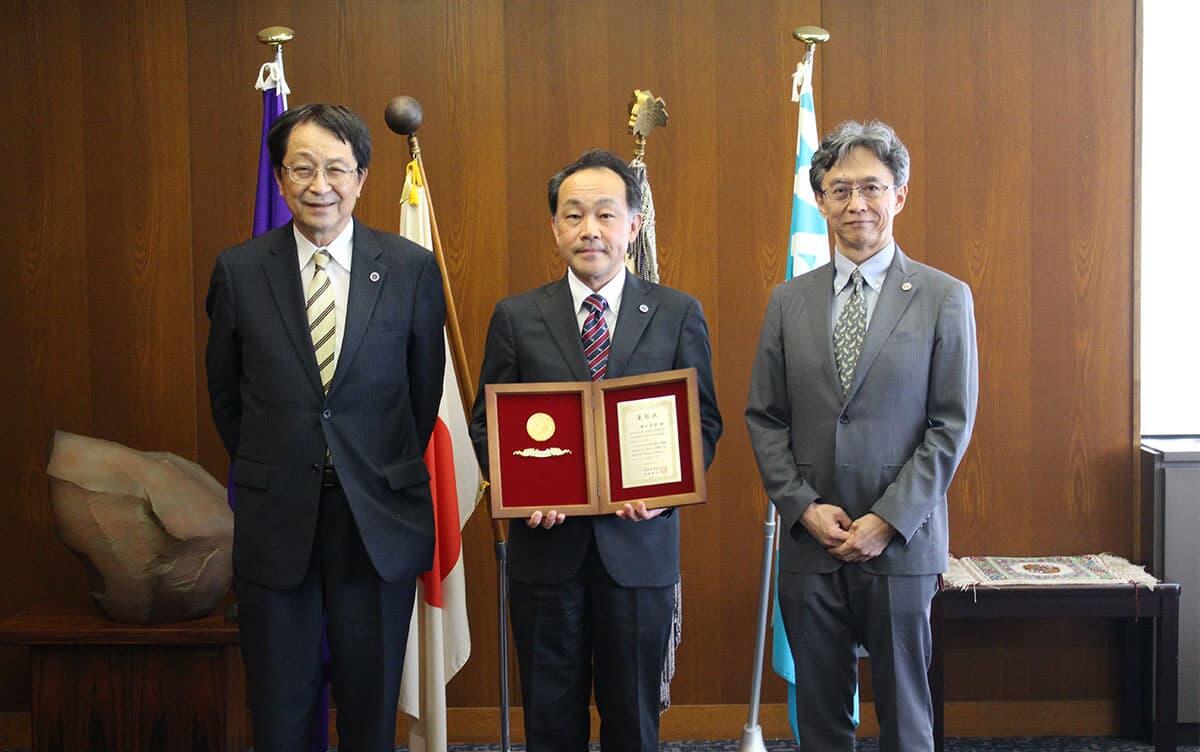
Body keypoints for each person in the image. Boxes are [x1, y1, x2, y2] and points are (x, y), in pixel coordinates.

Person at [205, 103, 445, 752]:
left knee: (369, 713)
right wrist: (286, 459)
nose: (320, 185)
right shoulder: (240, 271)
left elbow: (421, 395)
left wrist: (360, 459)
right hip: (277, 514)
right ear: (280, 179)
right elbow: (227, 396)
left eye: (336, 168)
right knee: (279, 710)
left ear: (362, 177)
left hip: (376, 518)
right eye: (302, 168)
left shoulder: (410, 269)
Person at [469, 149, 722, 751]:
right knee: (551, 719)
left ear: (633, 225)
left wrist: (663, 496)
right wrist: (521, 489)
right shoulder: (517, 316)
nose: (590, 230)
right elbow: (487, 424)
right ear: (555, 227)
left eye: (605, 214)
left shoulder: (676, 312)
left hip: (639, 553)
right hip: (546, 551)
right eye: (574, 214)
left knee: (633, 719)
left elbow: (703, 420)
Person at [745, 119, 978, 751]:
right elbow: (765, 417)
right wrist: (803, 508)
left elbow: (949, 425)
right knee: (821, 719)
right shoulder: (787, 301)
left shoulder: (942, 297)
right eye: (840, 189)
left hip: (902, 544)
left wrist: (887, 520)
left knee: (906, 717)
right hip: (810, 540)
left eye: (871, 188)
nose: (857, 204)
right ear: (818, 199)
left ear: (899, 195)